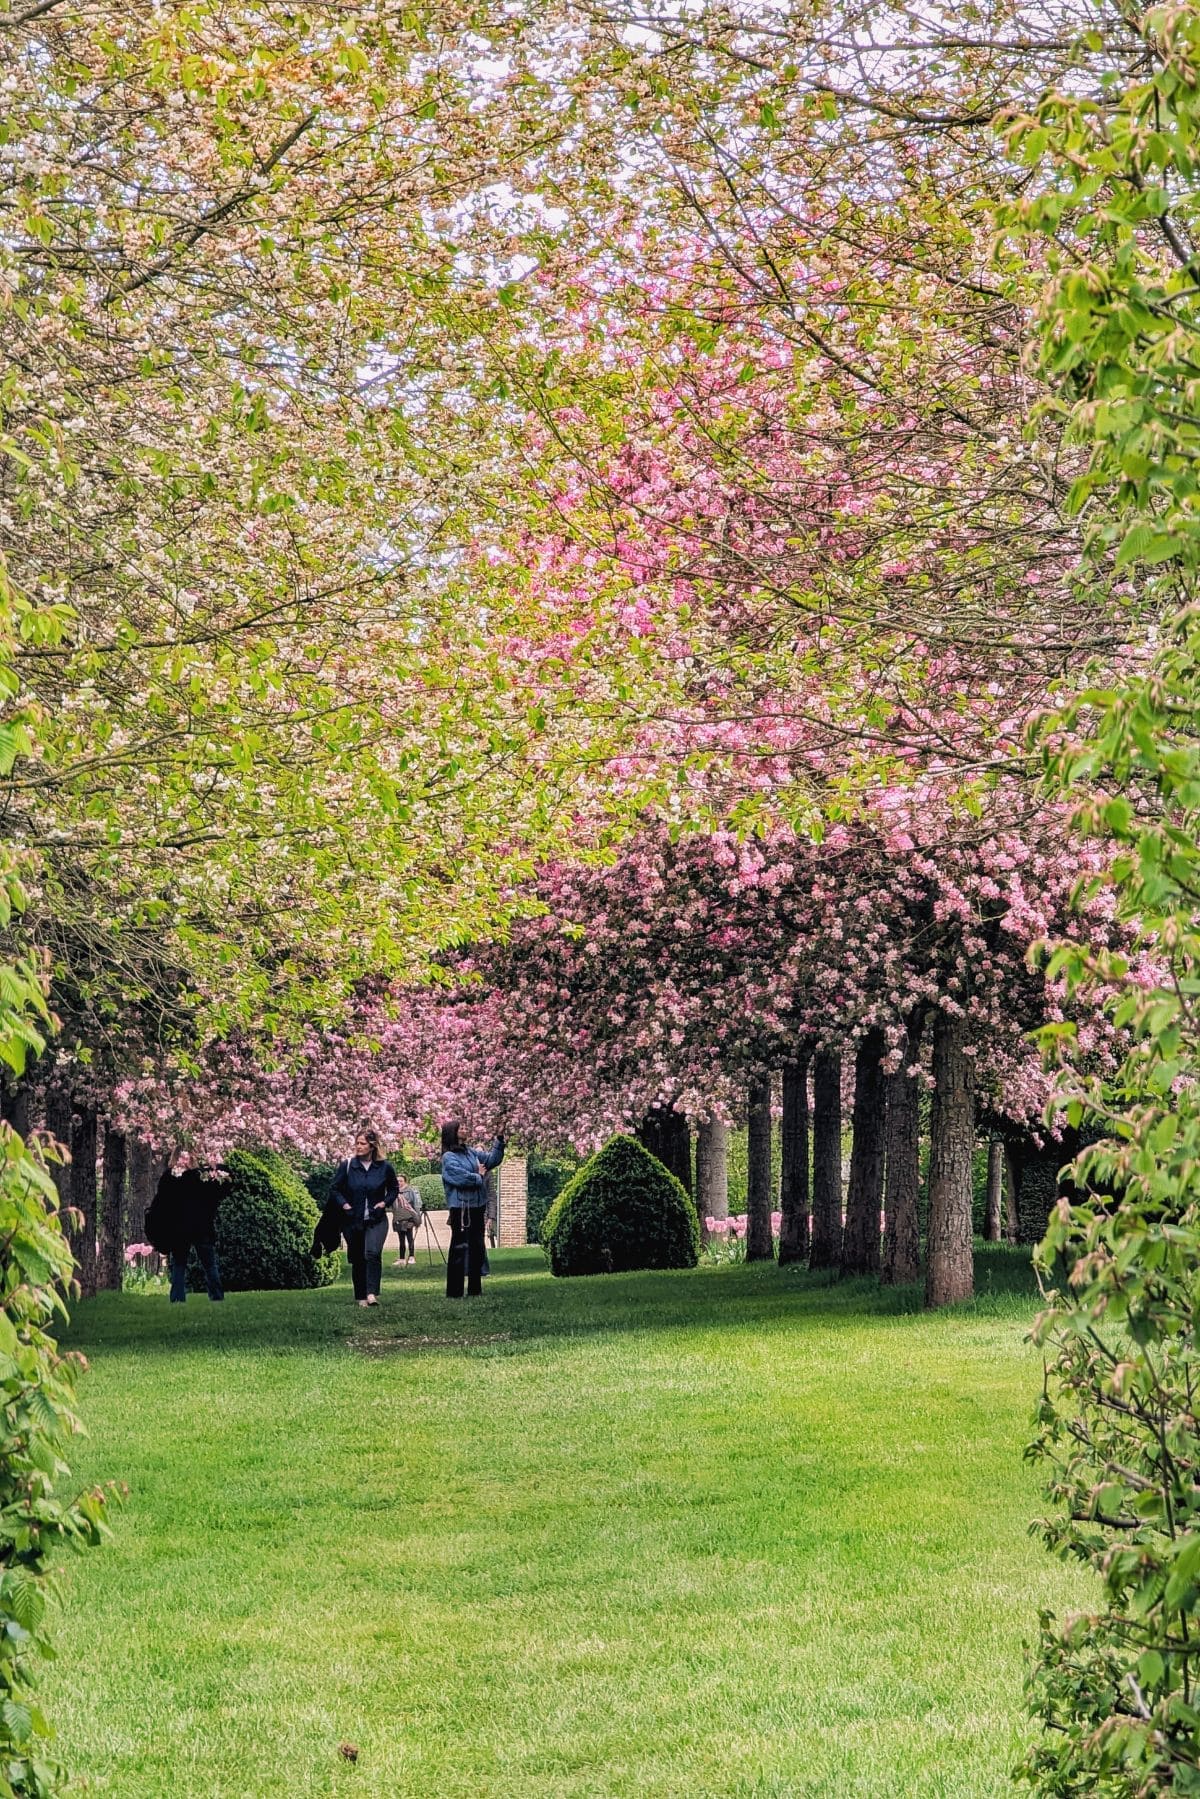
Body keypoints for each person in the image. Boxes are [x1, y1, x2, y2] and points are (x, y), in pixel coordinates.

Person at [331, 1129, 399, 1308]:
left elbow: (394, 1189)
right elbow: (335, 1189)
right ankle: (361, 1296)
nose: (358, 1147)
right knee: (358, 1257)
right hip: (353, 1219)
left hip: (376, 1219)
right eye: (357, 1143)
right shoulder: (348, 1166)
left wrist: (384, 1203)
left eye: (363, 1143)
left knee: (372, 1253)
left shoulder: (385, 1167)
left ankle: (371, 1293)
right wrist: (345, 1205)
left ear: (372, 1146)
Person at [440, 1120, 505, 1299]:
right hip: (461, 1208)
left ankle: (475, 1289)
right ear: (453, 1133)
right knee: (459, 1247)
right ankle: (455, 1291)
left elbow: (492, 1160)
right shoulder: (448, 1157)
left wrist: (499, 1139)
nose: (465, 1129)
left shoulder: (471, 1152)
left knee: (477, 1247)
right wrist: (479, 1176)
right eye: (461, 1128)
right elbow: (459, 1178)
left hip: (477, 1206)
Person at [145, 1164, 228, 1304]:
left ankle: (177, 1298)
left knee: (179, 1264)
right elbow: (216, 1194)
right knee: (209, 1263)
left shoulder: (171, 1175)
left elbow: (161, 1200)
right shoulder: (204, 1175)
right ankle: (217, 1296)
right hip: (201, 1225)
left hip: (180, 1227)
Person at [393, 1174, 423, 1267]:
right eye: (397, 1181)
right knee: (401, 1239)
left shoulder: (410, 1191)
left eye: (401, 1181)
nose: (399, 1183)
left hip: (409, 1217)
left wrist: (417, 1218)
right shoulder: (394, 1191)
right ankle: (402, 1258)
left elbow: (416, 1204)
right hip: (398, 1217)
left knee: (409, 1237)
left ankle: (411, 1256)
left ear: (405, 1181)